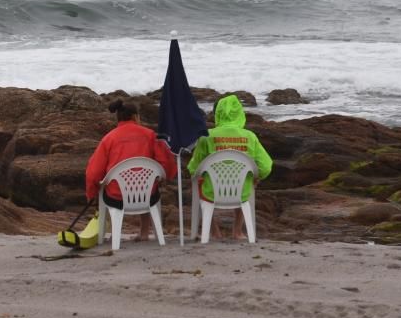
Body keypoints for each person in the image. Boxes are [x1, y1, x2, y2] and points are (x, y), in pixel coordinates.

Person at [85, 99, 178, 242]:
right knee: (148, 182)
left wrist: (91, 193)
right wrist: (164, 177)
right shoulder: (150, 135)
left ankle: (110, 234)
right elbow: (166, 161)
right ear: (135, 117)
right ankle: (145, 232)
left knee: (107, 187)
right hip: (147, 196)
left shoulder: (109, 139)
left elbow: (94, 172)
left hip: (117, 197)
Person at [187, 94, 272, 240]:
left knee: (200, 182)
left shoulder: (207, 136)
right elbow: (266, 166)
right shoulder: (250, 137)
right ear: (240, 113)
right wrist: (258, 177)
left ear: (218, 113)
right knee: (247, 180)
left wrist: (198, 174)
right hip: (241, 192)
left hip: (212, 191)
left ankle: (214, 232)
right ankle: (237, 231)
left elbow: (193, 168)